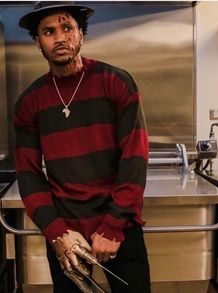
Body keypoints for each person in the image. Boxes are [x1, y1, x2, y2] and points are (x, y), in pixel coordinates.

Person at [14, 1, 150, 292]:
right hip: (66, 231)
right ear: (38, 42)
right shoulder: (29, 102)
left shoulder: (116, 82)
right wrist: (56, 232)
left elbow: (134, 158)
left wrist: (113, 226)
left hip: (119, 227)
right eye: (49, 31)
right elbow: (28, 174)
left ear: (81, 34)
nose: (60, 37)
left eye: (67, 28)